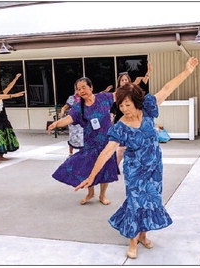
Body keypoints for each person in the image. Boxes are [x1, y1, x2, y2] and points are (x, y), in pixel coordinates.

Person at [74, 57, 199, 259]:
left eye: (127, 105)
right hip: (135, 169)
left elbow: (167, 88)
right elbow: (107, 152)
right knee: (135, 203)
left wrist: (187, 71)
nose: (124, 109)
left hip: (154, 166)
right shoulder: (120, 127)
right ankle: (132, 241)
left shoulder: (148, 107)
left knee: (151, 201)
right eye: (121, 106)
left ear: (136, 102)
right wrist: (91, 176)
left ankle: (143, 235)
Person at [48, 77, 119, 205]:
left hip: (107, 143)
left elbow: (119, 95)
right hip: (90, 144)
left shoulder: (103, 98)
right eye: (79, 89)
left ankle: (102, 195)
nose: (81, 91)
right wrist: (56, 124)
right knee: (88, 169)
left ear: (91, 88)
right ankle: (90, 193)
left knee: (106, 170)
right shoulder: (78, 107)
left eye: (84, 87)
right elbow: (69, 118)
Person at [110, 62, 153, 166]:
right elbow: (112, 109)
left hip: (134, 123)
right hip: (122, 123)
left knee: (135, 146)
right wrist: (110, 118)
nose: (124, 81)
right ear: (119, 82)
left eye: (126, 80)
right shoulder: (116, 94)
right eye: (122, 80)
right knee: (121, 148)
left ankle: (137, 165)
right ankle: (115, 167)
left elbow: (142, 85)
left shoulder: (132, 91)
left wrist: (148, 73)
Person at [58, 90, 83, 156]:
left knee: (81, 137)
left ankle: (81, 153)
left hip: (82, 120)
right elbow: (64, 107)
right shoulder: (72, 98)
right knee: (72, 136)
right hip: (72, 120)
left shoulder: (84, 97)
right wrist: (62, 112)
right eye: (78, 89)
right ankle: (70, 153)